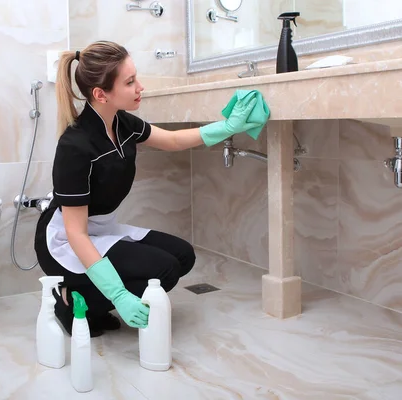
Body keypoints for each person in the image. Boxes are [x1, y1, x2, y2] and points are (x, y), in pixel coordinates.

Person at [34, 41, 269, 337]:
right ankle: (71, 301)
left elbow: (171, 141)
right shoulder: (75, 146)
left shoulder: (122, 124)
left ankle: (93, 302)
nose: (140, 87)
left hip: (98, 229)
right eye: (130, 82)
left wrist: (227, 126)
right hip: (65, 240)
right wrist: (118, 294)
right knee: (164, 270)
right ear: (100, 94)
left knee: (182, 256)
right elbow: (76, 233)